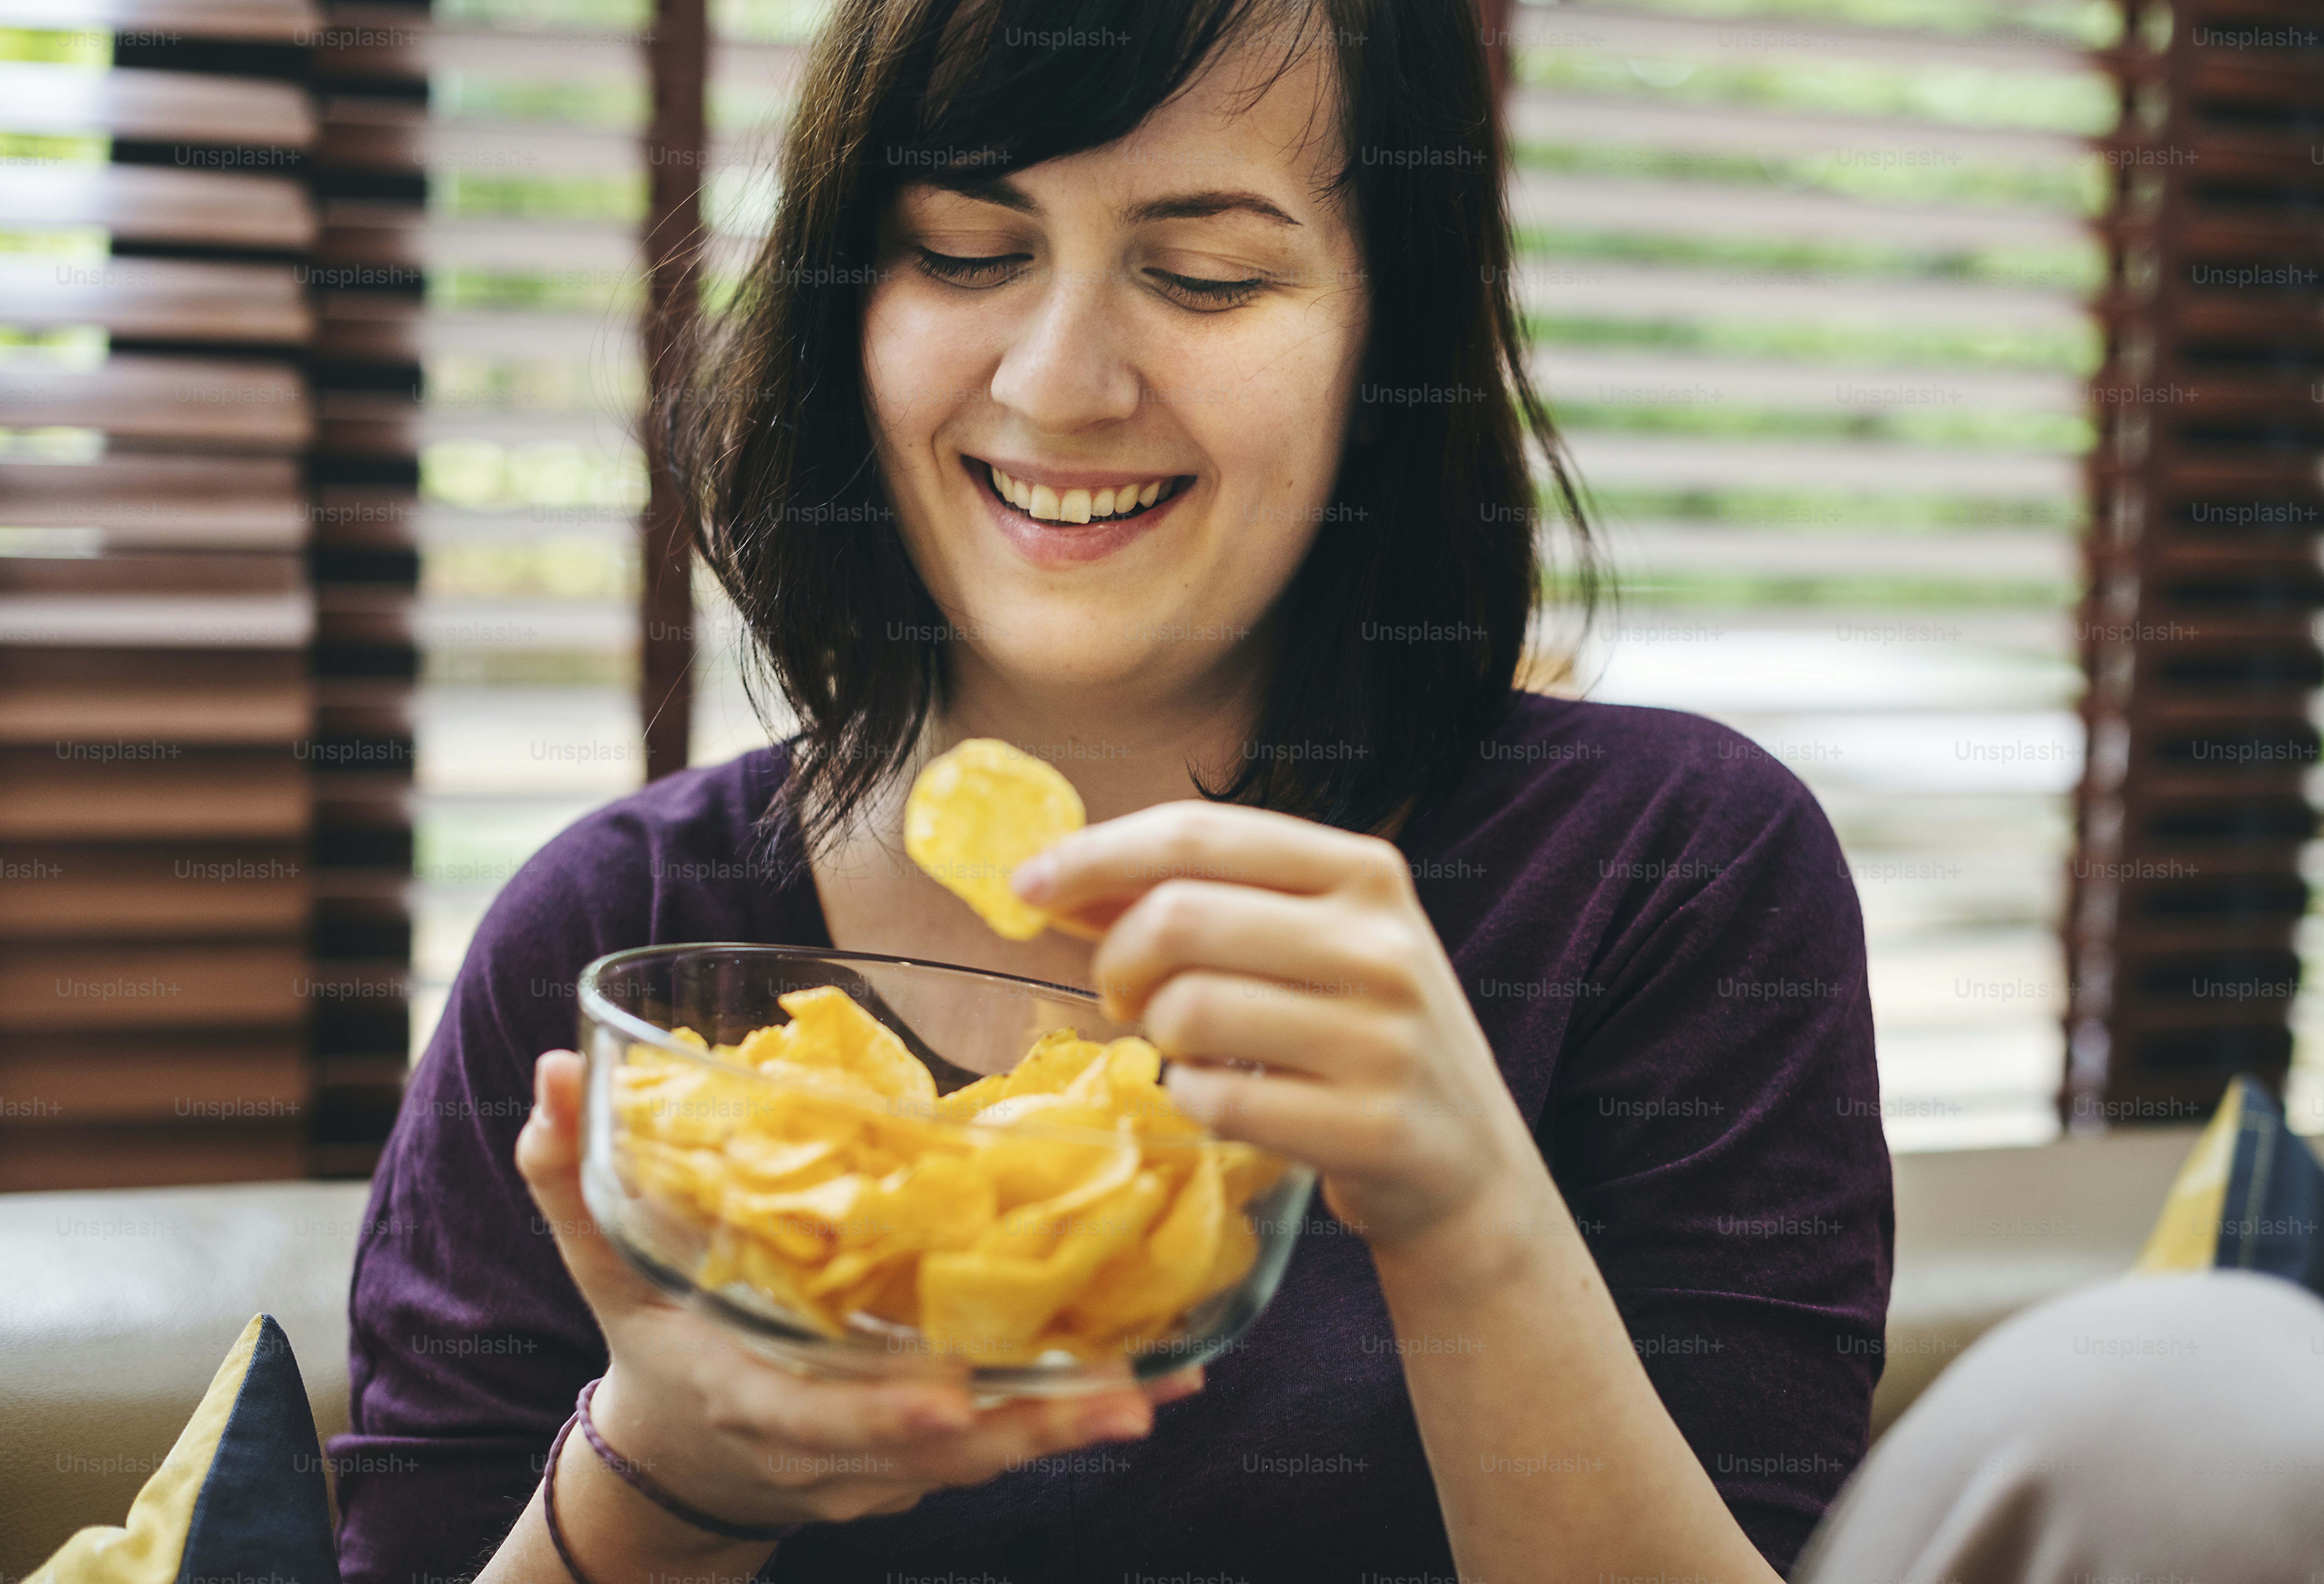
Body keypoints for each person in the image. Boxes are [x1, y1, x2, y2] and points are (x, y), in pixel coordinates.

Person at [329, 2, 1892, 1581]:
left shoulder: (1672, 875)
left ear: (1388, 332)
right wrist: (666, 1482)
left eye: (1204, 274)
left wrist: (1468, 1219)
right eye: (959, 249)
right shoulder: (615, 941)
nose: (1060, 382)